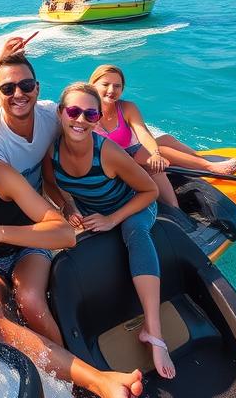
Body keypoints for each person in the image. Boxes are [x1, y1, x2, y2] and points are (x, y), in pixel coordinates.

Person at [0, 100, 143, 398]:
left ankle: (78, 385)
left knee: (30, 301)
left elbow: (63, 232)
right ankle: (89, 380)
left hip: (26, 248)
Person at [43, 82, 175, 379]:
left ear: (97, 118)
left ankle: (153, 331)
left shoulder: (108, 152)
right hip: (94, 213)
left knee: (135, 232)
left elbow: (150, 191)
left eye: (90, 115)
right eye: (73, 112)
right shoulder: (52, 154)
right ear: (61, 113)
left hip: (133, 205)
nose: (80, 120)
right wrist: (68, 207)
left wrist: (113, 219)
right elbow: (50, 184)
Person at [91, 64, 236, 181]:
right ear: (92, 85)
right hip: (115, 163)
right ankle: (211, 167)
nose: (111, 90)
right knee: (161, 150)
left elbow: (143, 133)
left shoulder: (126, 107)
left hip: (132, 150)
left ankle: (199, 159)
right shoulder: (86, 112)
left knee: (166, 139)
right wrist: (156, 153)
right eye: (105, 84)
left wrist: (154, 153)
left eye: (117, 86)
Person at [0, 38, 60, 192]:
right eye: (7, 88)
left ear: (37, 88)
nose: (18, 94)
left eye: (26, 85)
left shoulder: (50, 114)